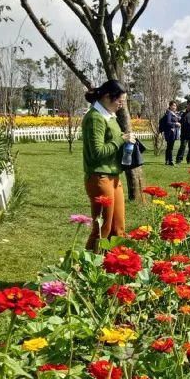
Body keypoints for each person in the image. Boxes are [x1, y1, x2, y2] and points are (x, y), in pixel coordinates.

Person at [82, 80, 134, 251]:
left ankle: (113, 267)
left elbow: (114, 143)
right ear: (107, 97)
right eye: (120, 101)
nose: (121, 105)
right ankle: (85, 270)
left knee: (118, 227)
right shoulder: (95, 118)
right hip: (99, 176)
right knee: (102, 229)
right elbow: (97, 153)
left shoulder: (109, 116)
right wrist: (121, 140)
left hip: (113, 175)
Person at [162, 100, 180, 166]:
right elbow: (168, 122)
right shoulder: (169, 113)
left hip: (173, 132)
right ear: (170, 106)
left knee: (169, 147)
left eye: (175, 106)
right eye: (173, 105)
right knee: (170, 147)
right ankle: (171, 161)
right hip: (170, 132)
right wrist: (176, 124)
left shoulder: (174, 113)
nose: (174, 107)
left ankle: (167, 160)